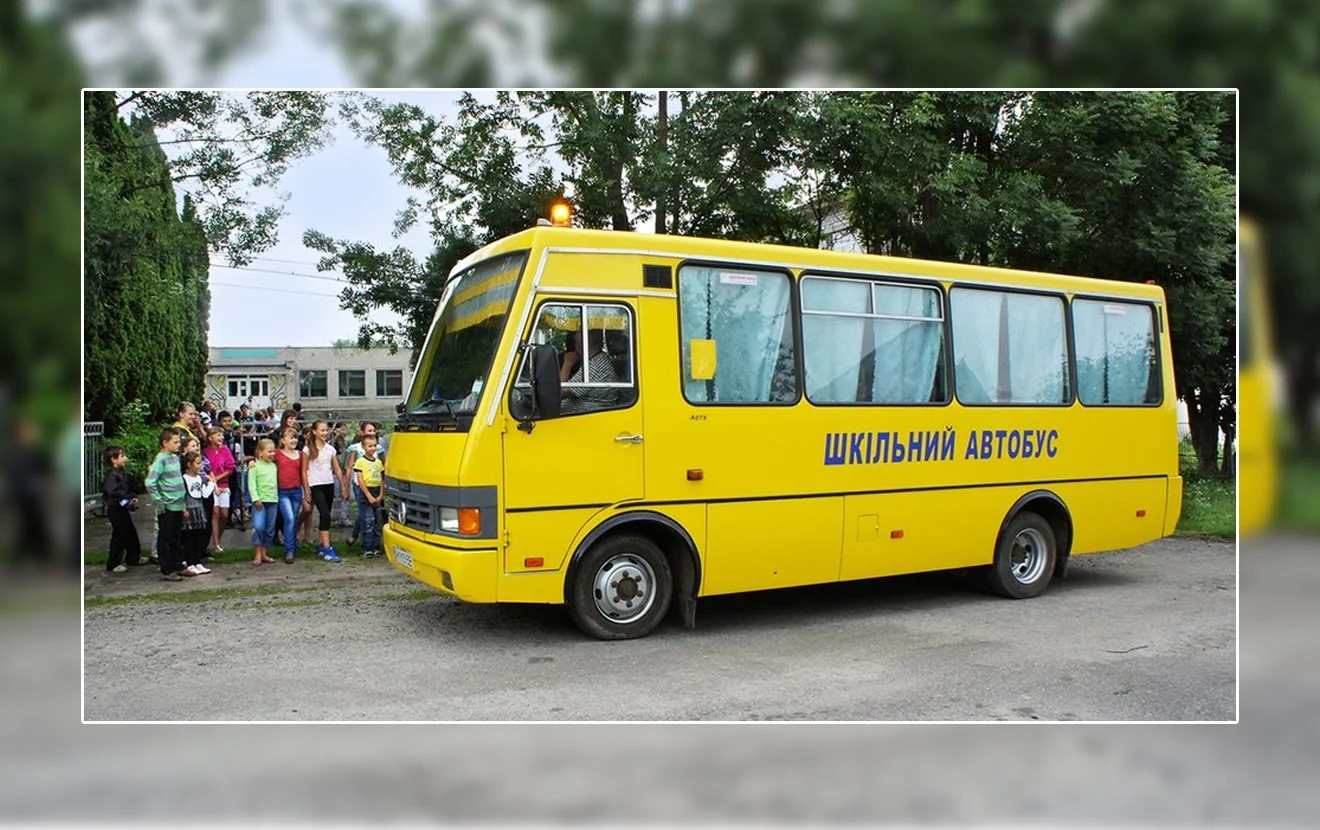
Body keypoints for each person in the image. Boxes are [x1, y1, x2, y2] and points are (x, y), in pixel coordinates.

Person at [144, 428, 187, 581]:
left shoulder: (175, 458)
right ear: (165, 443)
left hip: (178, 504)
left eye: (179, 442)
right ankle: (167, 569)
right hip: (167, 506)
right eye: (175, 442)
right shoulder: (161, 460)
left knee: (176, 537)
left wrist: (183, 505)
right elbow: (150, 482)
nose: (178, 445)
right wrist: (159, 501)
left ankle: (177, 565)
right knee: (166, 538)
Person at [302, 420, 346, 562]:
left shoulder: (330, 449)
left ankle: (322, 544)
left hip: (329, 484)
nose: (325, 433)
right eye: (322, 430)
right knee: (325, 514)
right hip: (315, 485)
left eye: (326, 430)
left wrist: (343, 486)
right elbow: (304, 471)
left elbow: (337, 468)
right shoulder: (308, 449)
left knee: (325, 515)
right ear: (314, 432)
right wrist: (307, 490)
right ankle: (327, 547)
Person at [560, 328, 620, 414]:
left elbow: (560, 392)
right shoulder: (596, 360)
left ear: (582, 344)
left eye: (575, 343)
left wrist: (567, 363)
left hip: (586, 417)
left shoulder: (596, 365)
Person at [101, 446, 141, 573]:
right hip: (116, 509)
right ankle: (113, 563)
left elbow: (124, 491)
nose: (125, 459)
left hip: (120, 507)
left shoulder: (119, 473)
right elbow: (115, 495)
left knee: (130, 533)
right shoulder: (112, 475)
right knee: (120, 535)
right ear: (113, 459)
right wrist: (127, 502)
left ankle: (133, 558)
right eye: (122, 456)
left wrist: (131, 496)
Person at [344, 421, 379, 548]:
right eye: (369, 430)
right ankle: (359, 538)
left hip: (374, 484)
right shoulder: (355, 448)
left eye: (373, 430)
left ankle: (366, 539)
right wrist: (346, 487)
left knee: (370, 513)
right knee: (363, 511)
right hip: (359, 484)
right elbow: (349, 467)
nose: (372, 433)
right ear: (362, 432)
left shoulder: (378, 448)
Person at [273, 427, 305, 564]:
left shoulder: (300, 454)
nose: (294, 440)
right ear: (282, 440)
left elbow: (304, 473)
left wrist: (306, 491)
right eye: (290, 437)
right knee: (290, 519)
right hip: (283, 492)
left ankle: (292, 544)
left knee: (293, 519)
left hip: (296, 491)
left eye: (295, 438)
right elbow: (262, 456)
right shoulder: (277, 454)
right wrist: (250, 461)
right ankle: (289, 550)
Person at [179, 451, 214, 576]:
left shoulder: (200, 478)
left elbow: (204, 494)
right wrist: (183, 509)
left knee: (198, 537)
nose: (200, 466)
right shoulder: (184, 479)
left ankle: (197, 561)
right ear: (189, 464)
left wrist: (211, 484)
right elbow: (182, 495)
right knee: (189, 538)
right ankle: (189, 563)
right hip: (189, 510)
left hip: (199, 509)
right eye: (198, 463)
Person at [246, 439, 278, 566]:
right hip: (260, 502)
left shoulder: (274, 466)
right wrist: (255, 498)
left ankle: (264, 552)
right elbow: (251, 484)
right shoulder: (255, 466)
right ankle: (257, 553)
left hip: (273, 500)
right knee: (259, 526)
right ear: (260, 453)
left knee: (270, 528)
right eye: (269, 451)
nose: (272, 454)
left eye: (273, 451)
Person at [203, 426, 235, 552]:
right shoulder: (206, 451)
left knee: (224, 515)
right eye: (218, 435)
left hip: (223, 485)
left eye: (222, 435)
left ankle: (218, 538)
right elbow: (205, 468)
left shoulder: (226, 450)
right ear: (210, 438)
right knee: (215, 513)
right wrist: (212, 480)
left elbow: (230, 468)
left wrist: (217, 478)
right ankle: (216, 544)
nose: (221, 437)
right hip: (210, 485)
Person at [353, 434, 385, 558]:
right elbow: (360, 480)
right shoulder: (360, 462)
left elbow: (381, 479)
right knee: (367, 521)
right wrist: (368, 495)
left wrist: (381, 494)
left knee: (377, 522)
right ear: (364, 447)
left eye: (374, 446)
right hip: (366, 492)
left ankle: (376, 547)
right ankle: (366, 548)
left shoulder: (378, 462)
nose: (372, 448)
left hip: (377, 491)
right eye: (370, 446)